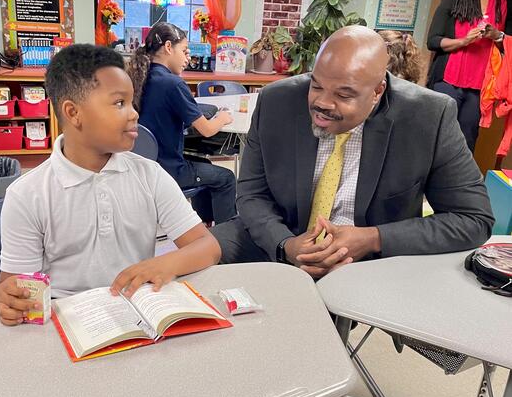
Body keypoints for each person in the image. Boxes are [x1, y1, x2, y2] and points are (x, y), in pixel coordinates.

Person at [211, 26, 494, 279]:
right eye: (317, 85)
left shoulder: (429, 116)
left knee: (315, 315)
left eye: (344, 95)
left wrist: (373, 238)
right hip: (283, 234)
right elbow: (251, 194)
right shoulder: (278, 102)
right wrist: (286, 244)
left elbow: (472, 219)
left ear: (377, 91)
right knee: (198, 257)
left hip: (367, 259)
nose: (322, 103)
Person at [0, 44, 221, 326]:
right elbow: (13, 284)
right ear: (73, 113)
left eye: (132, 102)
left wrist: (165, 263)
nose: (134, 113)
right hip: (66, 321)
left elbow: (208, 247)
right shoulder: (28, 194)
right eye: (119, 103)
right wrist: (6, 298)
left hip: (135, 315)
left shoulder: (150, 175)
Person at [128, 22, 237, 225]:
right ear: (169, 47)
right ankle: (226, 238)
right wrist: (222, 118)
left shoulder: (138, 78)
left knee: (204, 166)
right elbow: (206, 130)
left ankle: (205, 224)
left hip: (143, 168)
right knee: (226, 178)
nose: (188, 58)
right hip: (169, 171)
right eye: (185, 51)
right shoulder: (173, 84)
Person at [427, 0, 512, 152]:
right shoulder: (453, 1)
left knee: (467, 139)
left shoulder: (508, 5)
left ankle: (458, 179)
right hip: (447, 80)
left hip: (481, 87)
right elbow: (433, 41)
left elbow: (509, 46)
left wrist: (498, 36)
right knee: (437, 134)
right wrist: (464, 41)